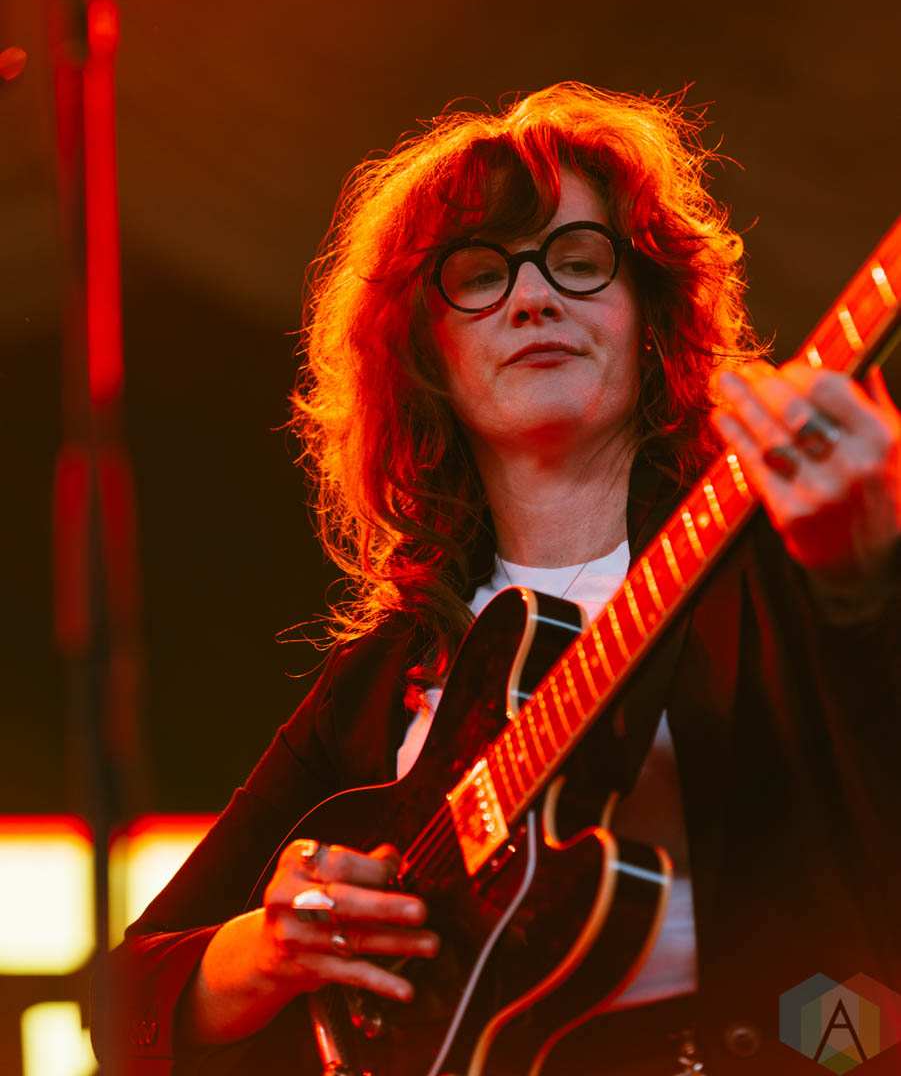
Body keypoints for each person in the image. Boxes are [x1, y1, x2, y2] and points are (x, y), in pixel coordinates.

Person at [98, 84, 901, 1075]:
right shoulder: (385, 678)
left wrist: (865, 582)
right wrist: (273, 947)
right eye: (479, 275)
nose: (533, 298)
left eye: (580, 262)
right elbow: (121, 1004)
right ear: (423, 353)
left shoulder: (779, 562)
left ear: (651, 317)